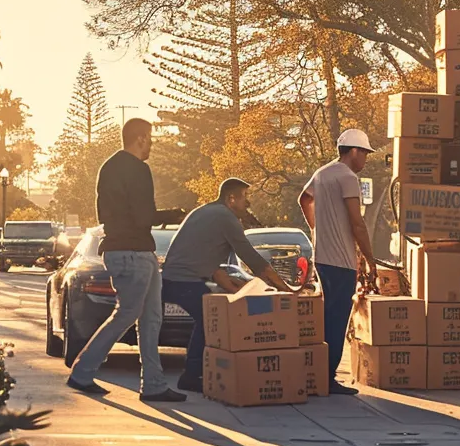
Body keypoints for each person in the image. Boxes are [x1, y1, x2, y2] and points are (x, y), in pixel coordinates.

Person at [66, 118, 186, 402]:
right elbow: (144, 216)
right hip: (133, 251)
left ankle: (154, 384)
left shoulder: (107, 168)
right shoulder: (139, 170)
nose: (152, 145)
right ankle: (82, 372)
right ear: (141, 138)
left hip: (129, 251)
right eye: (151, 139)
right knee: (129, 313)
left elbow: (109, 214)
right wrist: (171, 215)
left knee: (151, 318)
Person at [160, 177, 294, 392]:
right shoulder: (225, 217)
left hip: (173, 278)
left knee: (208, 317)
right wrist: (286, 290)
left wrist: (234, 288)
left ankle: (196, 372)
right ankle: (191, 375)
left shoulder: (204, 212)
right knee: (210, 320)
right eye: (245, 197)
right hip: (184, 280)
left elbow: (210, 263)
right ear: (231, 199)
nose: (247, 203)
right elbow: (251, 257)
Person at [299, 128, 378, 396]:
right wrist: (370, 260)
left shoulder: (322, 173)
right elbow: (357, 222)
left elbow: (304, 199)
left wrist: (315, 229)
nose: (365, 159)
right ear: (353, 151)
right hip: (342, 261)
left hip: (322, 257)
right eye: (365, 153)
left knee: (326, 317)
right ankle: (327, 378)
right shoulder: (348, 177)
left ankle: (316, 374)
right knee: (336, 320)